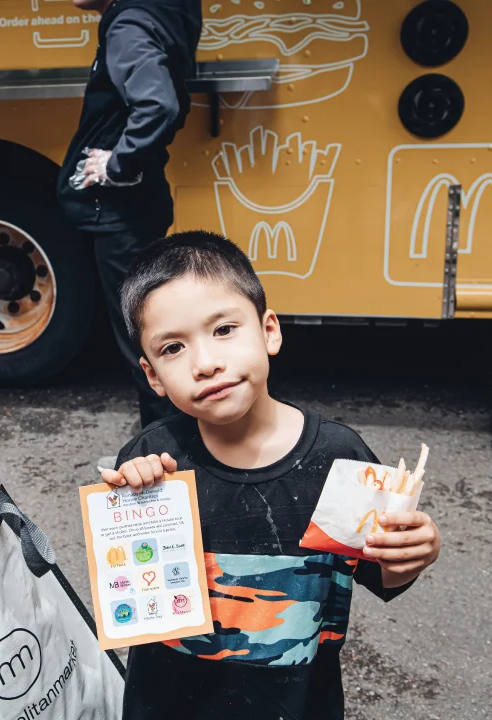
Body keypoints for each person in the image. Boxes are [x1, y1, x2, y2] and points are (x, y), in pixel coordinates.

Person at [99, 231, 443, 720]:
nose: (206, 363)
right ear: (152, 375)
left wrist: (414, 551)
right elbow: (133, 584)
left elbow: (382, 571)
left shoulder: (340, 458)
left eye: (223, 330)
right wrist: (131, 500)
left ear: (269, 331)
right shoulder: (152, 456)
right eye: (173, 348)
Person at [57, 0, 202, 429]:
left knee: (142, 341)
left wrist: (117, 164)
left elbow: (159, 105)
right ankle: (178, 437)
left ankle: (168, 445)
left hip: (118, 214)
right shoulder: (154, 17)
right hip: (137, 208)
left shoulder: (128, 25)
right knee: (154, 329)